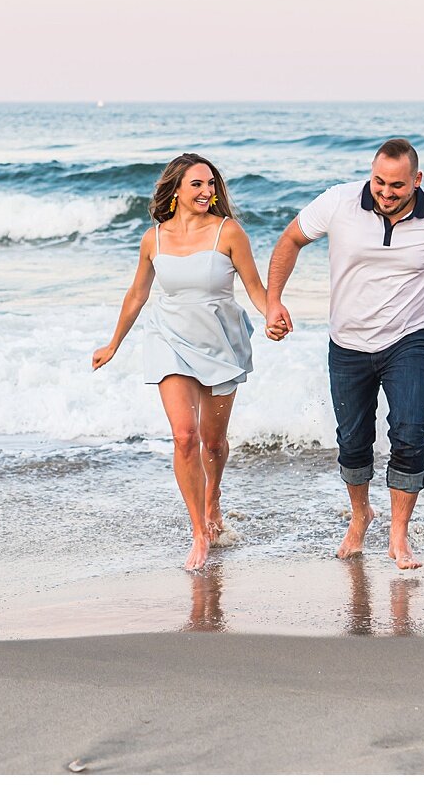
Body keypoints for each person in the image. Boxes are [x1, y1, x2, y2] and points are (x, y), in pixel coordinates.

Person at [264, 138, 424, 569]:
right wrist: (274, 300)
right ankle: (360, 515)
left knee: (409, 432)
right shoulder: (338, 201)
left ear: (417, 181)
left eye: (397, 186)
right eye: (379, 182)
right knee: (352, 441)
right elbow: (291, 239)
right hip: (347, 343)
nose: (385, 193)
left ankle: (398, 536)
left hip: (409, 341)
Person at [93, 153, 269, 571]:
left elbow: (255, 288)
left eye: (211, 184)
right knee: (185, 437)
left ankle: (214, 499)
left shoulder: (229, 232)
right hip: (167, 338)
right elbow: (137, 295)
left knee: (213, 442)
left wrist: (273, 313)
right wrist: (113, 343)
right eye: (197, 184)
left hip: (220, 342)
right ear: (176, 188)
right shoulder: (153, 238)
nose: (207, 191)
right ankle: (198, 532)